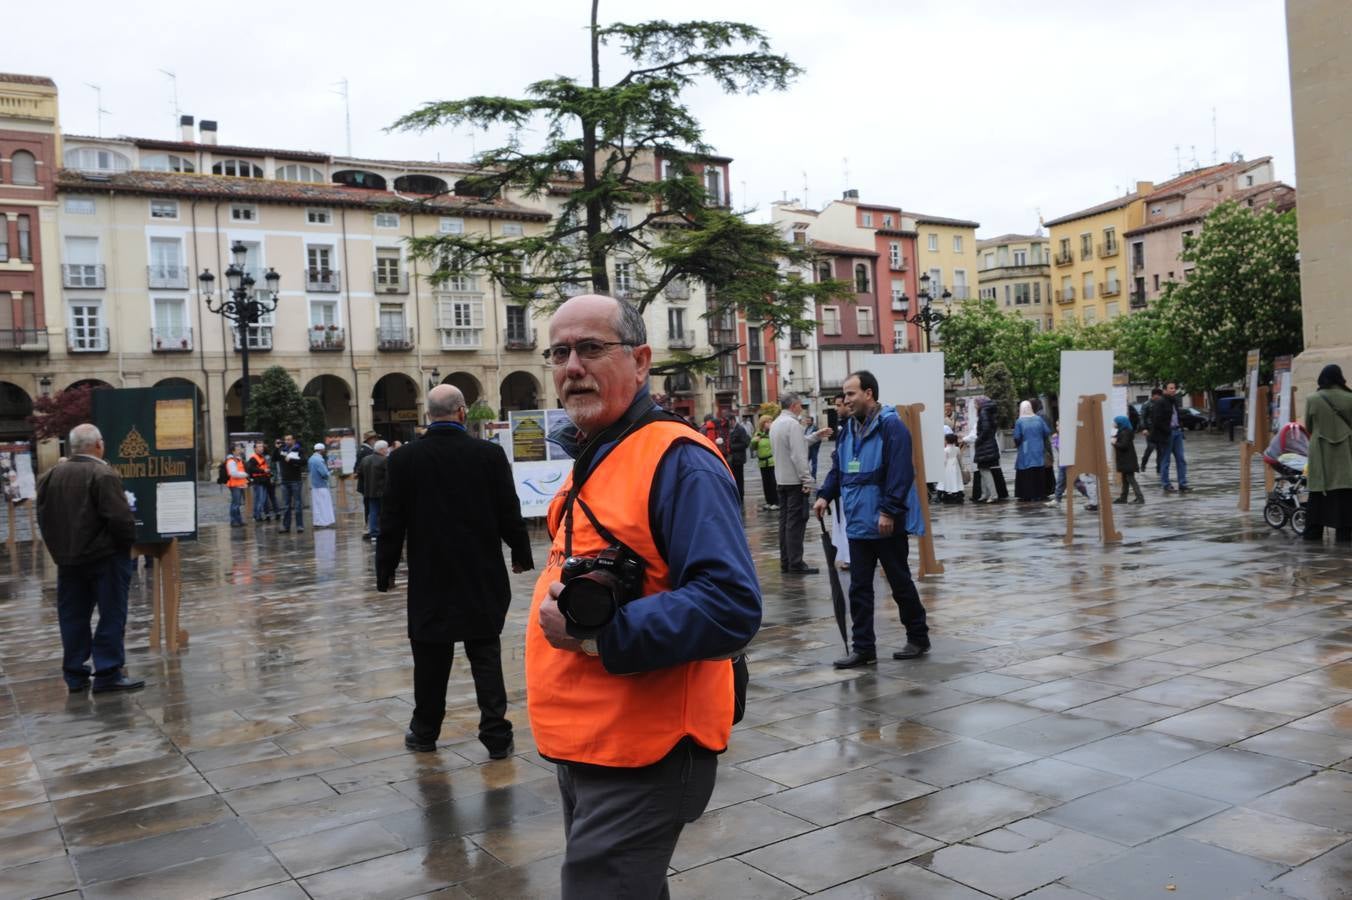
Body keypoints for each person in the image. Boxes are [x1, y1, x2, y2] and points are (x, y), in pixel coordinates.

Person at [528, 294, 761, 898]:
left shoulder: (679, 461)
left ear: (640, 361)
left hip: (648, 751)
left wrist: (596, 633)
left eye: (591, 348)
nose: (571, 365)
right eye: (560, 352)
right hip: (593, 744)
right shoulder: (600, 452)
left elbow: (730, 605)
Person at [376, 384, 533, 757]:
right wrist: (521, 553)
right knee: (485, 655)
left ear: (429, 415)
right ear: (462, 412)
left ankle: (425, 731)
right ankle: (497, 735)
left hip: (431, 578)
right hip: (481, 575)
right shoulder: (489, 455)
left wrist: (385, 570)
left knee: (430, 660)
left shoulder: (404, 460)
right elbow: (508, 511)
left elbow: (391, 522)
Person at [815, 370, 928, 669]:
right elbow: (839, 469)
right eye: (844, 394)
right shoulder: (848, 430)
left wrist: (889, 510)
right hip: (858, 523)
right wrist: (825, 494)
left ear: (869, 394)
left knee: (899, 581)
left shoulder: (892, 427)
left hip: (885, 522)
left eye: (851, 394)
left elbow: (900, 472)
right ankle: (863, 648)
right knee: (859, 588)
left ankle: (918, 636)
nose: (845, 400)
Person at [36, 424, 142, 693]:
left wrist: (58, 549)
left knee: (72, 617)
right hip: (104, 557)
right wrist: (124, 546)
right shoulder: (102, 473)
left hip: (68, 559)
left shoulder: (52, 475)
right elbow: (119, 519)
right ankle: (107, 672)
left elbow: (44, 517)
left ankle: (75, 674)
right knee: (112, 613)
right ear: (98, 445)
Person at [1303, 364, 1352, 543]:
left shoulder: (1312, 399)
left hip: (1320, 453)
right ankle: (1344, 533)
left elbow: (1308, 426)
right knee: (1344, 492)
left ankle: (1313, 532)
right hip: (1346, 452)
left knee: (1318, 494)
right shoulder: (1349, 398)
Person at [771, 393, 819, 575]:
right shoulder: (793, 424)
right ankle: (796, 563)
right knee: (795, 524)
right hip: (794, 481)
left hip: (781, 479)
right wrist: (807, 479)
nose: (801, 408)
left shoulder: (776, 423)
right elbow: (798, 454)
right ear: (794, 406)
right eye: (800, 405)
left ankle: (786, 561)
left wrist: (815, 436)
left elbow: (794, 445)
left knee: (784, 523)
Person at [1151, 381, 1191, 493]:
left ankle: (1182, 484)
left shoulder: (1174, 401)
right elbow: (1156, 420)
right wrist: (1167, 431)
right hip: (1167, 434)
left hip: (1177, 432)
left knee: (1181, 459)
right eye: (1171, 388)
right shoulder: (1160, 402)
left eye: (1174, 388)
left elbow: (1176, 416)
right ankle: (1166, 485)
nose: (1173, 390)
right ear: (1165, 390)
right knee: (1166, 460)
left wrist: (1181, 429)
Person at [1012, 400, 1051, 501]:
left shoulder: (1019, 421)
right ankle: (1040, 493)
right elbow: (1047, 432)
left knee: (1027, 471)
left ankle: (1028, 494)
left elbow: (1017, 436)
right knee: (1038, 471)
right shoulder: (1038, 419)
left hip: (1025, 449)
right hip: (1039, 448)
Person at [973, 396, 1003, 503]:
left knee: (984, 470)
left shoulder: (983, 412)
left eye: (975, 404)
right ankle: (985, 494)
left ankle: (993, 495)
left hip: (985, 445)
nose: (974, 406)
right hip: (989, 444)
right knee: (983, 469)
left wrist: (978, 440)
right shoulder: (988, 412)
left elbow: (985, 429)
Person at [358, 440, 389, 541]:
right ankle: (381, 531)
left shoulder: (365, 460)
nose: (387, 450)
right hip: (382, 491)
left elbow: (360, 474)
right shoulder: (385, 460)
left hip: (369, 491)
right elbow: (388, 477)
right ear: (381, 449)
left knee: (373, 511)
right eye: (386, 448)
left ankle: (373, 533)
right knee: (383, 512)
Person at [276, 435, 307, 533]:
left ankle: (299, 526)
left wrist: (291, 460)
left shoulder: (299, 449)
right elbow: (274, 458)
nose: (287, 441)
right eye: (285, 439)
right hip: (285, 480)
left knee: (297, 504)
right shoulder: (282, 450)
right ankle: (286, 526)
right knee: (286, 505)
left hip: (295, 480)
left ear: (293, 440)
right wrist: (276, 448)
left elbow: (304, 461)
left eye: (289, 439)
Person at [1114, 415, 1145, 504]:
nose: (1114, 423)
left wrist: (1114, 443)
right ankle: (1123, 498)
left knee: (1131, 479)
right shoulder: (1123, 431)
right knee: (1125, 480)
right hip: (1125, 460)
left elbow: (1123, 445)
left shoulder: (1125, 432)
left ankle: (1140, 498)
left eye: (1115, 422)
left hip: (1127, 461)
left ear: (1120, 423)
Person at [750, 414, 777, 510]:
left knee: (773, 482)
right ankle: (769, 501)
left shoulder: (773, 433)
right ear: (762, 423)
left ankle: (776, 502)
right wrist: (754, 441)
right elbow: (752, 447)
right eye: (767, 422)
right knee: (766, 483)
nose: (769, 423)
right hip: (762, 462)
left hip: (771, 461)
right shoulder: (758, 434)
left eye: (770, 421)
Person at [246, 441, 277, 522]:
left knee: (262, 500)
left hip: (264, 481)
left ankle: (258, 515)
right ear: (255, 449)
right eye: (259, 447)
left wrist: (269, 474)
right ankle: (257, 516)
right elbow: (250, 469)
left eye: (262, 447)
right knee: (259, 500)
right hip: (258, 482)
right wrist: (263, 470)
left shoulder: (262, 457)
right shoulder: (253, 458)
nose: (261, 448)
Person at [355, 431, 377, 535]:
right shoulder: (367, 451)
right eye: (374, 439)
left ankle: (369, 525)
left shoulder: (363, 450)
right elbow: (361, 469)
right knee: (369, 505)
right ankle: (369, 526)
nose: (375, 441)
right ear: (370, 439)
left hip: (365, 483)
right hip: (368, 483)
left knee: (368, 505)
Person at [309, 443, 335, 527]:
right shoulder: (319, 460)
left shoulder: (311, 459)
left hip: (314, 485)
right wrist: (331, 471)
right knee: (324, 505)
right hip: (322, 486)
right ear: (321, 450)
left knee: (317, 505)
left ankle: (317, 522)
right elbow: (324, 474)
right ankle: (325, 522)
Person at [726, 414, 750, 505]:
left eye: (729, 422)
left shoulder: (740, 429)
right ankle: (735, 496)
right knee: (733, 479)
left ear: (733, 420)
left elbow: (745, 444)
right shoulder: (729, 430)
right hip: (731, 460)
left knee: (739, 479)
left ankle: (740, 496)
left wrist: (731, 447)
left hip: (738, 459)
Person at [938, 431, 966, 503]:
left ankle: (946, 494)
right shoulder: (957, 449)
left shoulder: (945, 450)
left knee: (946, 480)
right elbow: (960, 459)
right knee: (957, 480)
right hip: (956, 467)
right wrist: (962, 468)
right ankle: (958, 494)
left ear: (946, 441)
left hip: (947, 467)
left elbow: (944, 460)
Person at [225, 445, 247, 527]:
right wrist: (245, 474)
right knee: (235, 504)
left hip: (239, 484)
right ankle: (234, 521)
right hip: (234, 485)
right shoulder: (231, 461)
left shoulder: (237, 459)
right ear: (233, 451)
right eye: (237, 450)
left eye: (239, 449)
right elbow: (233, 473)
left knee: (237, 504)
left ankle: (238, 520)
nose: (239, 451)